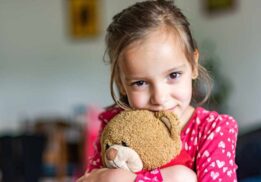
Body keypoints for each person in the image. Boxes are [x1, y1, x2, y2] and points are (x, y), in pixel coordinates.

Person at [77, 0, 238, 181]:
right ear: (121, 83)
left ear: (193, 65)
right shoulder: (115, 126)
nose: (160, 98)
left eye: (173, 75)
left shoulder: (213, 129)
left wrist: (119, 178)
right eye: (140, 83)